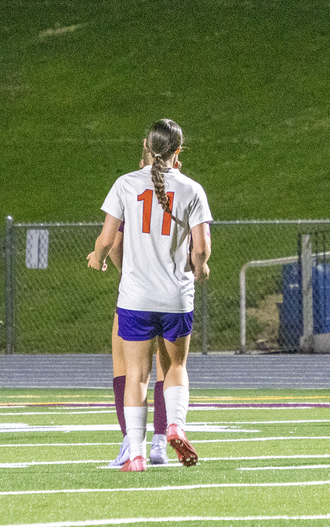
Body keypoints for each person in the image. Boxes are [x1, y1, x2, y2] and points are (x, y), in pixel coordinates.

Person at [88, 118, 212, 472]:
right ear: (178, 151)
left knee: (135, 376)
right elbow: (201, 247)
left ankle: (136, 454)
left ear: (146, 147)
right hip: (176, 297)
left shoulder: (125, 183)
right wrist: (200, 267)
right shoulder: (192, 189)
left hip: (136, 298)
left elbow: (107, 239)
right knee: (175, 367)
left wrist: (97, 258)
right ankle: (174, 427)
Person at [104, 229, 170, 468]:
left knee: (128, 369)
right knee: (170, 367)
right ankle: (160, 441)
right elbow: (200, 247)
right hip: (171, 289)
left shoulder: (129, 202)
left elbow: (113, 244)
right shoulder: (185, 202)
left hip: (136, 292)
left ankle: (131, 444)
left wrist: (127, 271)